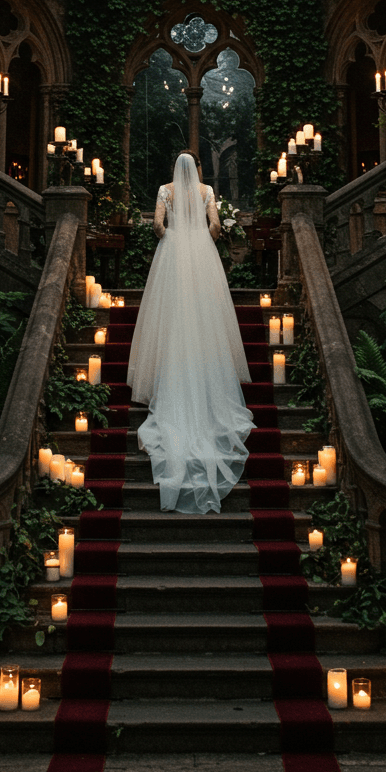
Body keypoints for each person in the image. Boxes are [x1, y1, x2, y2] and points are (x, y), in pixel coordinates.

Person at [127, 150, 255, 513]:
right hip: (201, 257)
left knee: (169, 314)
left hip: (172, 256)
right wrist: (200, 238)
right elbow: (215, 227)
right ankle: (206, 371)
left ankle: (170, 371)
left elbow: (157, 227)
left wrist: (174, 239)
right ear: (197, 169)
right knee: (205, 312)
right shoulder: (206, 191)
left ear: (173, 168)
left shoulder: (165, 191)